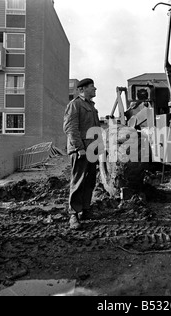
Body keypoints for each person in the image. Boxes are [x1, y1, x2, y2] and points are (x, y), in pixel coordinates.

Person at [63, 78, 100, 230]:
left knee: (90, 182)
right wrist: (79, 148)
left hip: (91, 150)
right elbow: (70, 129)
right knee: (78, 181)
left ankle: (85, 209)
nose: (95, 89)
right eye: (92, 87)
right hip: (81, 151)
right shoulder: (75, 105)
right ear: (82, 89)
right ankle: (74, 214)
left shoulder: (92, 107)